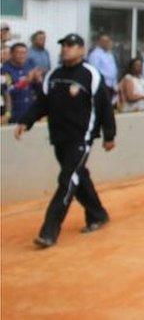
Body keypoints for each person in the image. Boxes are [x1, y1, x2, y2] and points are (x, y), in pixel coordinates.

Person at [14, 33, 116, 248]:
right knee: (78, 179)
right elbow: (42, 104)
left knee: (67, 182)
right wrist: (26, 121)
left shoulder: (91, 74)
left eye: (70, 45)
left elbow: (104, 106)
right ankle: (98, 214)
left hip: (82, 138)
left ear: (81, 50)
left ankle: (49, 231)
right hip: (59, 138)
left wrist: (109, 135)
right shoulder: (53, 74)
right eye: (63, 46)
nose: (65, 49)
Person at [1, 42, 40, 123]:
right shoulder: (4, 70)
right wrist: (26, 81)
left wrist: (37, 80)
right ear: (11, 54)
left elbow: (37, 89)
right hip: (15, 113)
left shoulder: (30, 65)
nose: (22, 55)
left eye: (24, 53)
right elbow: (7, 91)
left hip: (30, 110)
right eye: (19, 53)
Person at [87, 34, 119, 100]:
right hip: (101, 86)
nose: (107, 43)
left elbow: (113, 71)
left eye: (108, 41)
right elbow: (93, 71)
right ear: (99, 42)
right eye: (104, 41)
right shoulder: (95, 54)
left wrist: (115, 85)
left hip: (111, 86)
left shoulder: (110, 54)